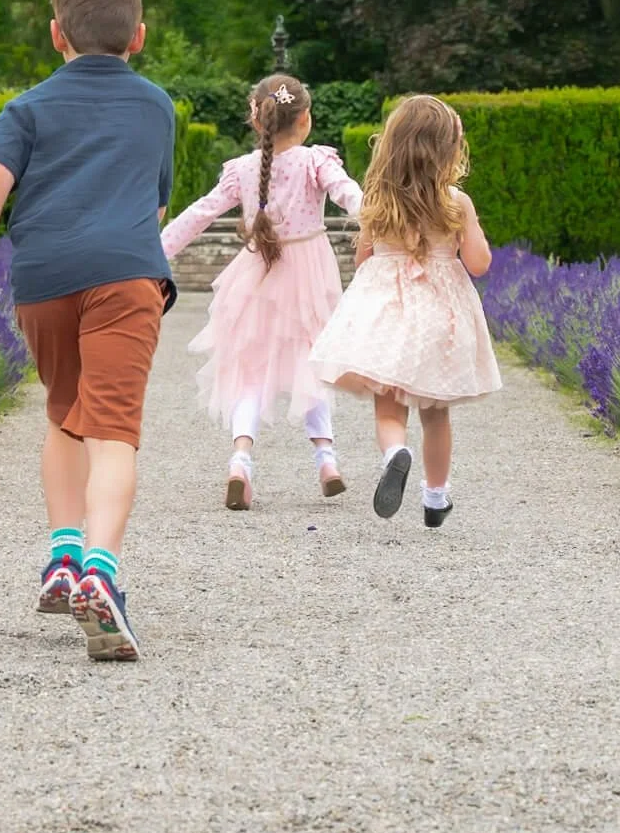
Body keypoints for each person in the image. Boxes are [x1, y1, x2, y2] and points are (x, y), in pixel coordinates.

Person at [0, 0, 175, 662]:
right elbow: (155, 206)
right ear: (138, 36)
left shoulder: (27, 108)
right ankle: (100, 573)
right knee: (113, 432)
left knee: (65, 413)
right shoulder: (156, 106)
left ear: (56, 33)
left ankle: (63, 556)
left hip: (45, 280)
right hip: (125, 276)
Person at [161, 74, 363, 511]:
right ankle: (326, 460)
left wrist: (156, 251)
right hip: (309, 274)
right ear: (305, 119)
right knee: (312, 361)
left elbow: (200, 212)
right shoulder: (315, 161)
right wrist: (379, 219)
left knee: (249, 369)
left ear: (256, 120)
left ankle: (241, 460)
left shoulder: (242, 170)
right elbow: (348, 193)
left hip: (257, 275)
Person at [307, 95, 501, 526]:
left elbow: (362, 259)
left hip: (389, 317)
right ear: (448, 149)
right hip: (439, 319)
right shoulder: (456, 203)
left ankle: (396, 452)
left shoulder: (378, 201)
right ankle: (435, 497)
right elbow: (479, 263)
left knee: (390, 407)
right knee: (436, 412)